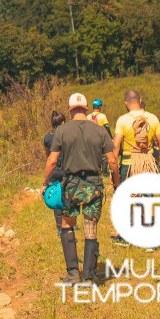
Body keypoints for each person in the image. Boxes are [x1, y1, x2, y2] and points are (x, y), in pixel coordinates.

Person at [41, 93, 120, 285]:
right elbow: (112, 161)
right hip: (93, 184)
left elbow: (52, 160)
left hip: (71, 185)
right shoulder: (99, 130)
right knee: (90, 228)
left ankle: (73, 273)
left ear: (70, 109)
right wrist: (116, 183)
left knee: (67, 225)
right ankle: (89, 274)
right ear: (86, 109)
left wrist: (44, 183)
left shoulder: (61, 131)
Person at [110, 90, 160, 247]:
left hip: (129, 163)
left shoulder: (123, 120)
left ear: (126, 103)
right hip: (148, 163)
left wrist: (112, 166)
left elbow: (116, 146)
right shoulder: (152, 118)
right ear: (140, 101)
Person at [43, 111, 67, 233]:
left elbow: (49, 156)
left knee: (55, 197)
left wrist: (45, 181)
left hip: (54, 171)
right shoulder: (68, 136)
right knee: (68, 195)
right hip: (66, 169)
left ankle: (59, 228)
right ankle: (70, 224)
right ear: (63, 122)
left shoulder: (47, 138)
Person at [87, 98, 111, 175]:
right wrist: (111, 138)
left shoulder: (88, 117)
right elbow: (106, 128)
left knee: (93, 155)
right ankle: (104, 173)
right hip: (101, 139)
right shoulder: (102, 116)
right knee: (104, 156)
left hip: (90, 140)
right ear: (100, 107)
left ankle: (94, 171)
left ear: (93, 107)